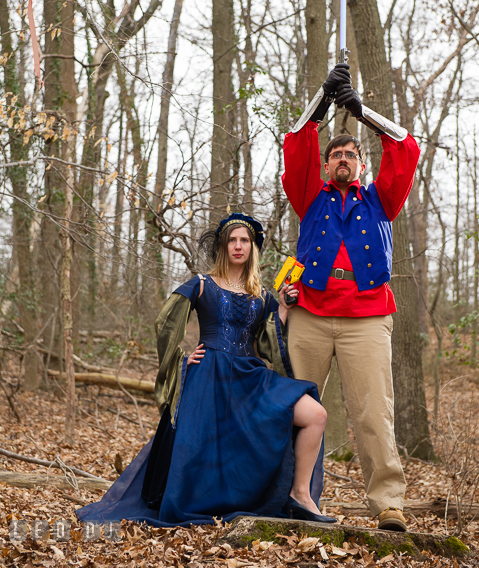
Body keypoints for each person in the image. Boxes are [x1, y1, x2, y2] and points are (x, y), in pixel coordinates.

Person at [76, 213, 336, 528]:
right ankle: (212, 503)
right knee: (202, 454)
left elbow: (269, 343)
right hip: (209, 376)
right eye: (232, 241)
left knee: (316, 415)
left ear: (252, 248)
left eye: (245, 241)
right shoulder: (202, 284)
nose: (238, 246)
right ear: (223, 246)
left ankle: (300, 494)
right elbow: (166, 323)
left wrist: (281, 308)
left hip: (249, 378)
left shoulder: (262, 295)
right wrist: (181, 359)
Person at [282, 64, 420, 532]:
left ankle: (387, 503)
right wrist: (323, 98)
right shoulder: (309, 195)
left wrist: (361, 112)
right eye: (335, 154)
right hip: (311, 315)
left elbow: (407, 147)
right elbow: (295, 140)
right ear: (326, 166)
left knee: (373, 411)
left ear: (361, 165)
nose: (342, 158)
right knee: (294, 407)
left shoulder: (382, 199)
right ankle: (288, 494)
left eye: (350, 154)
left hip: (367, 316)